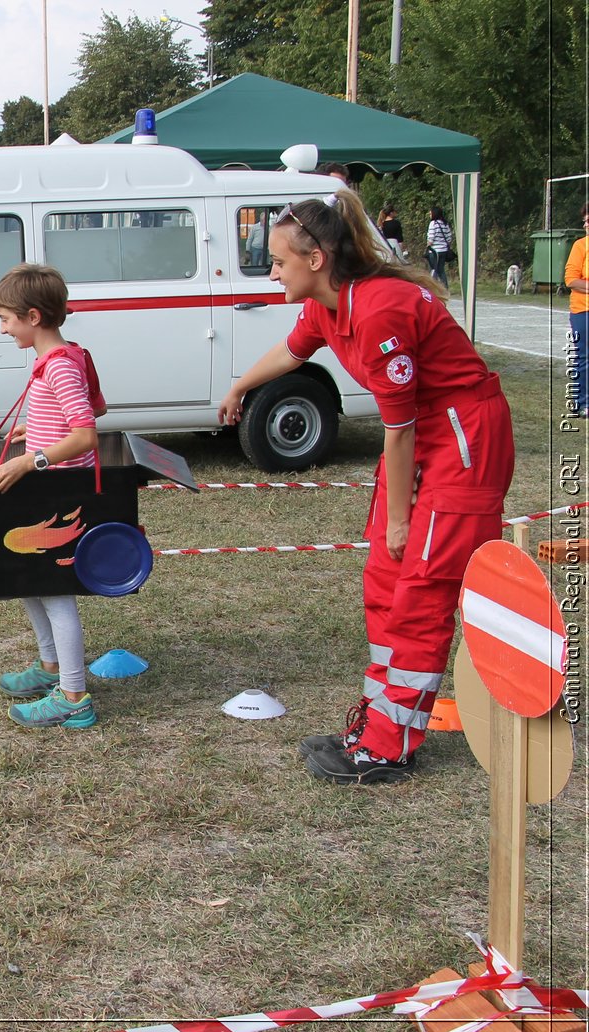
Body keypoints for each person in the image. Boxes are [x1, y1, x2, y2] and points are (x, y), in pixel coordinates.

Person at [217, 188, 514, 786]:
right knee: (383, 578)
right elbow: (291, 350)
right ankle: (377, 724)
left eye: (278, 261)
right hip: (421, 438)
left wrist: (403, 518)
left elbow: (398, 430)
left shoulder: (380, 311)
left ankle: (390, 747)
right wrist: (239, 387)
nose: (271, 271)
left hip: (460, 438)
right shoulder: (327, 307)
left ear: (317, 260)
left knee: (421, 590)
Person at [0, 263, 107, 730]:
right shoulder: (69, 356)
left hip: (58, 490)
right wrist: (33, 429)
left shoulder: (57, 365)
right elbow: (94, 405)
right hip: (48, 483)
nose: (3, 326)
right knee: (29, 579)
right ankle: (51, 667)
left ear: (33, 317)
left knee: (55, 590)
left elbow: (85, 433)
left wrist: (30, 459)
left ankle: (74, 695)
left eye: (7, 318)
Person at [564, 202, 589, 417]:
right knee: (583, 356)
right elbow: (571, 280)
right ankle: (581, 402)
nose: (586, 224)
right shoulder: (580, 246)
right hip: (583, 310)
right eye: (584, 221)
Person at [425, 205, 455, 287]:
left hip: (434, 251)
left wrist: (428, 246)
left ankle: (433, 288)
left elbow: (430, 239)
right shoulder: (445, 223)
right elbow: (449, 238)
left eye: (430, 214)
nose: (430, 215)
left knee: (433, 270)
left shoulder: (433, 224)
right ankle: (445, 288)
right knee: (441, 270)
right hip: (443, 250)